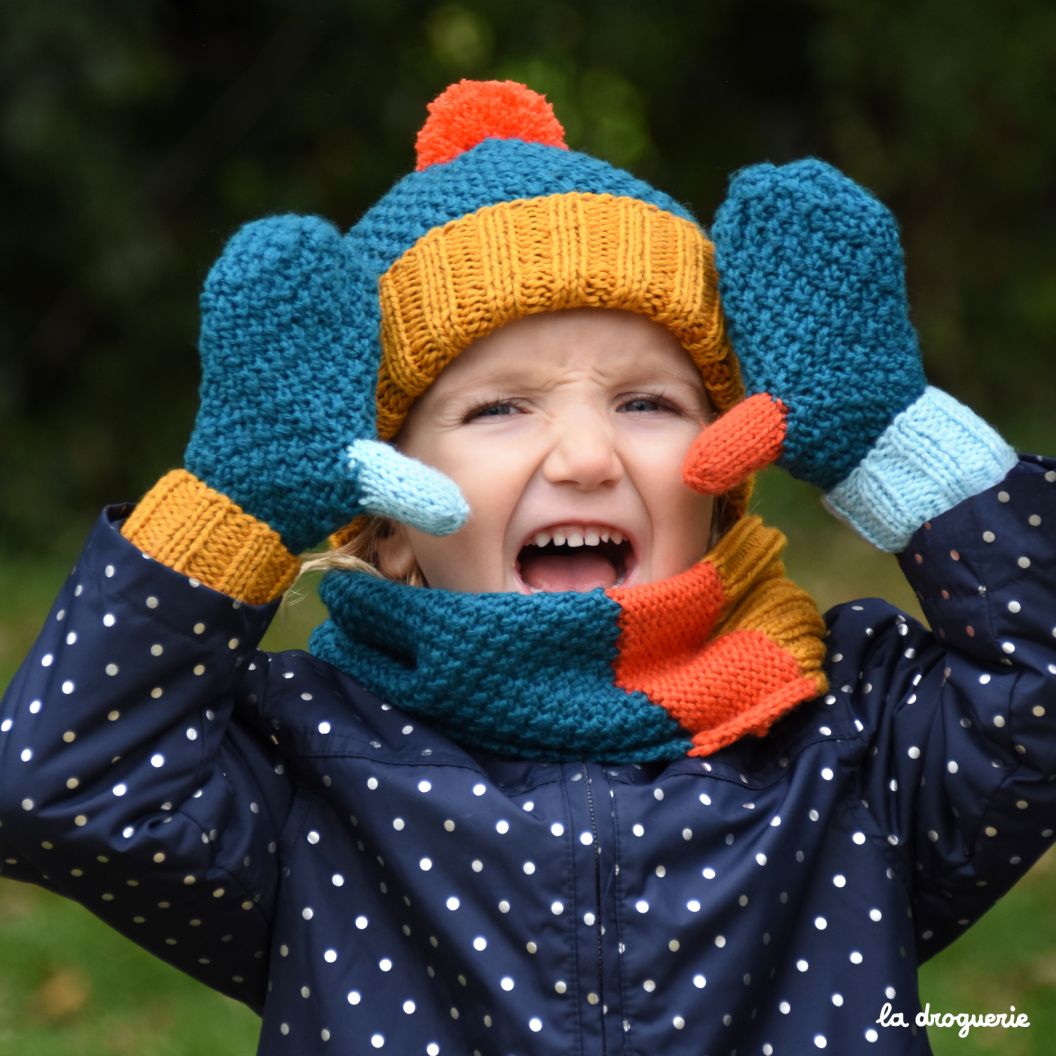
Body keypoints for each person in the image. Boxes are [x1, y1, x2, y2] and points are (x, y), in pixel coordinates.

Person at [1, 79, 1052, 1055]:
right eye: (500, 409)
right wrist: (237, 508)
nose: (589, 457)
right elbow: (63, 781)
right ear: (383, 517)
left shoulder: (846, 741)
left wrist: (892, 440)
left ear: (723, 476)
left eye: (648, 403)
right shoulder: (306, 771)